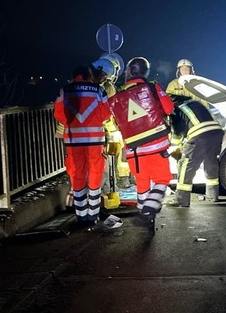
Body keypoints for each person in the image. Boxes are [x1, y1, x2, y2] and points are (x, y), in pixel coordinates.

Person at [108, 57, 174, 234]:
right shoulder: (152, 87)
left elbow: (114, 124)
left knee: (142, 184)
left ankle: (146, 221)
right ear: (146, 72)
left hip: (133, 151)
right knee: (162, 179)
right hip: (156, 145)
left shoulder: (117, 97)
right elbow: (168, 109)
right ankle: (148, 212)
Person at [53, 65, 112, 226]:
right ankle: (93, 215)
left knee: (77, 174)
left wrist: (73, 123)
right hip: (95, 140)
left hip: (73, 140)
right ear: (89, 76)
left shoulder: (64, 90)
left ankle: (81, 215)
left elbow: (58, 114)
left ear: (74, 76)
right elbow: (106, 114)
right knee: (95, 173)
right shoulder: (98, 90)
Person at [169, 94, 224, 207]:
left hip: (199, 134)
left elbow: (177, 134)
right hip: (216, 132)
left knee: (186, 165)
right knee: (211, 163)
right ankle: (212, 195)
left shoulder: (175, 108)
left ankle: (181, 200)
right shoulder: (195, 103)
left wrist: (176, 148)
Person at [90, 57, 123, 203]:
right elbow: (106, 113)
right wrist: (113, 130)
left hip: (77, 136)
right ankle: (103, 195)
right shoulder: (100, 89)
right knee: (102, 166)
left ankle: (94, 198)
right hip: (96, 134)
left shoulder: (79, 85)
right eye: (105, 77)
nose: (105, 80)